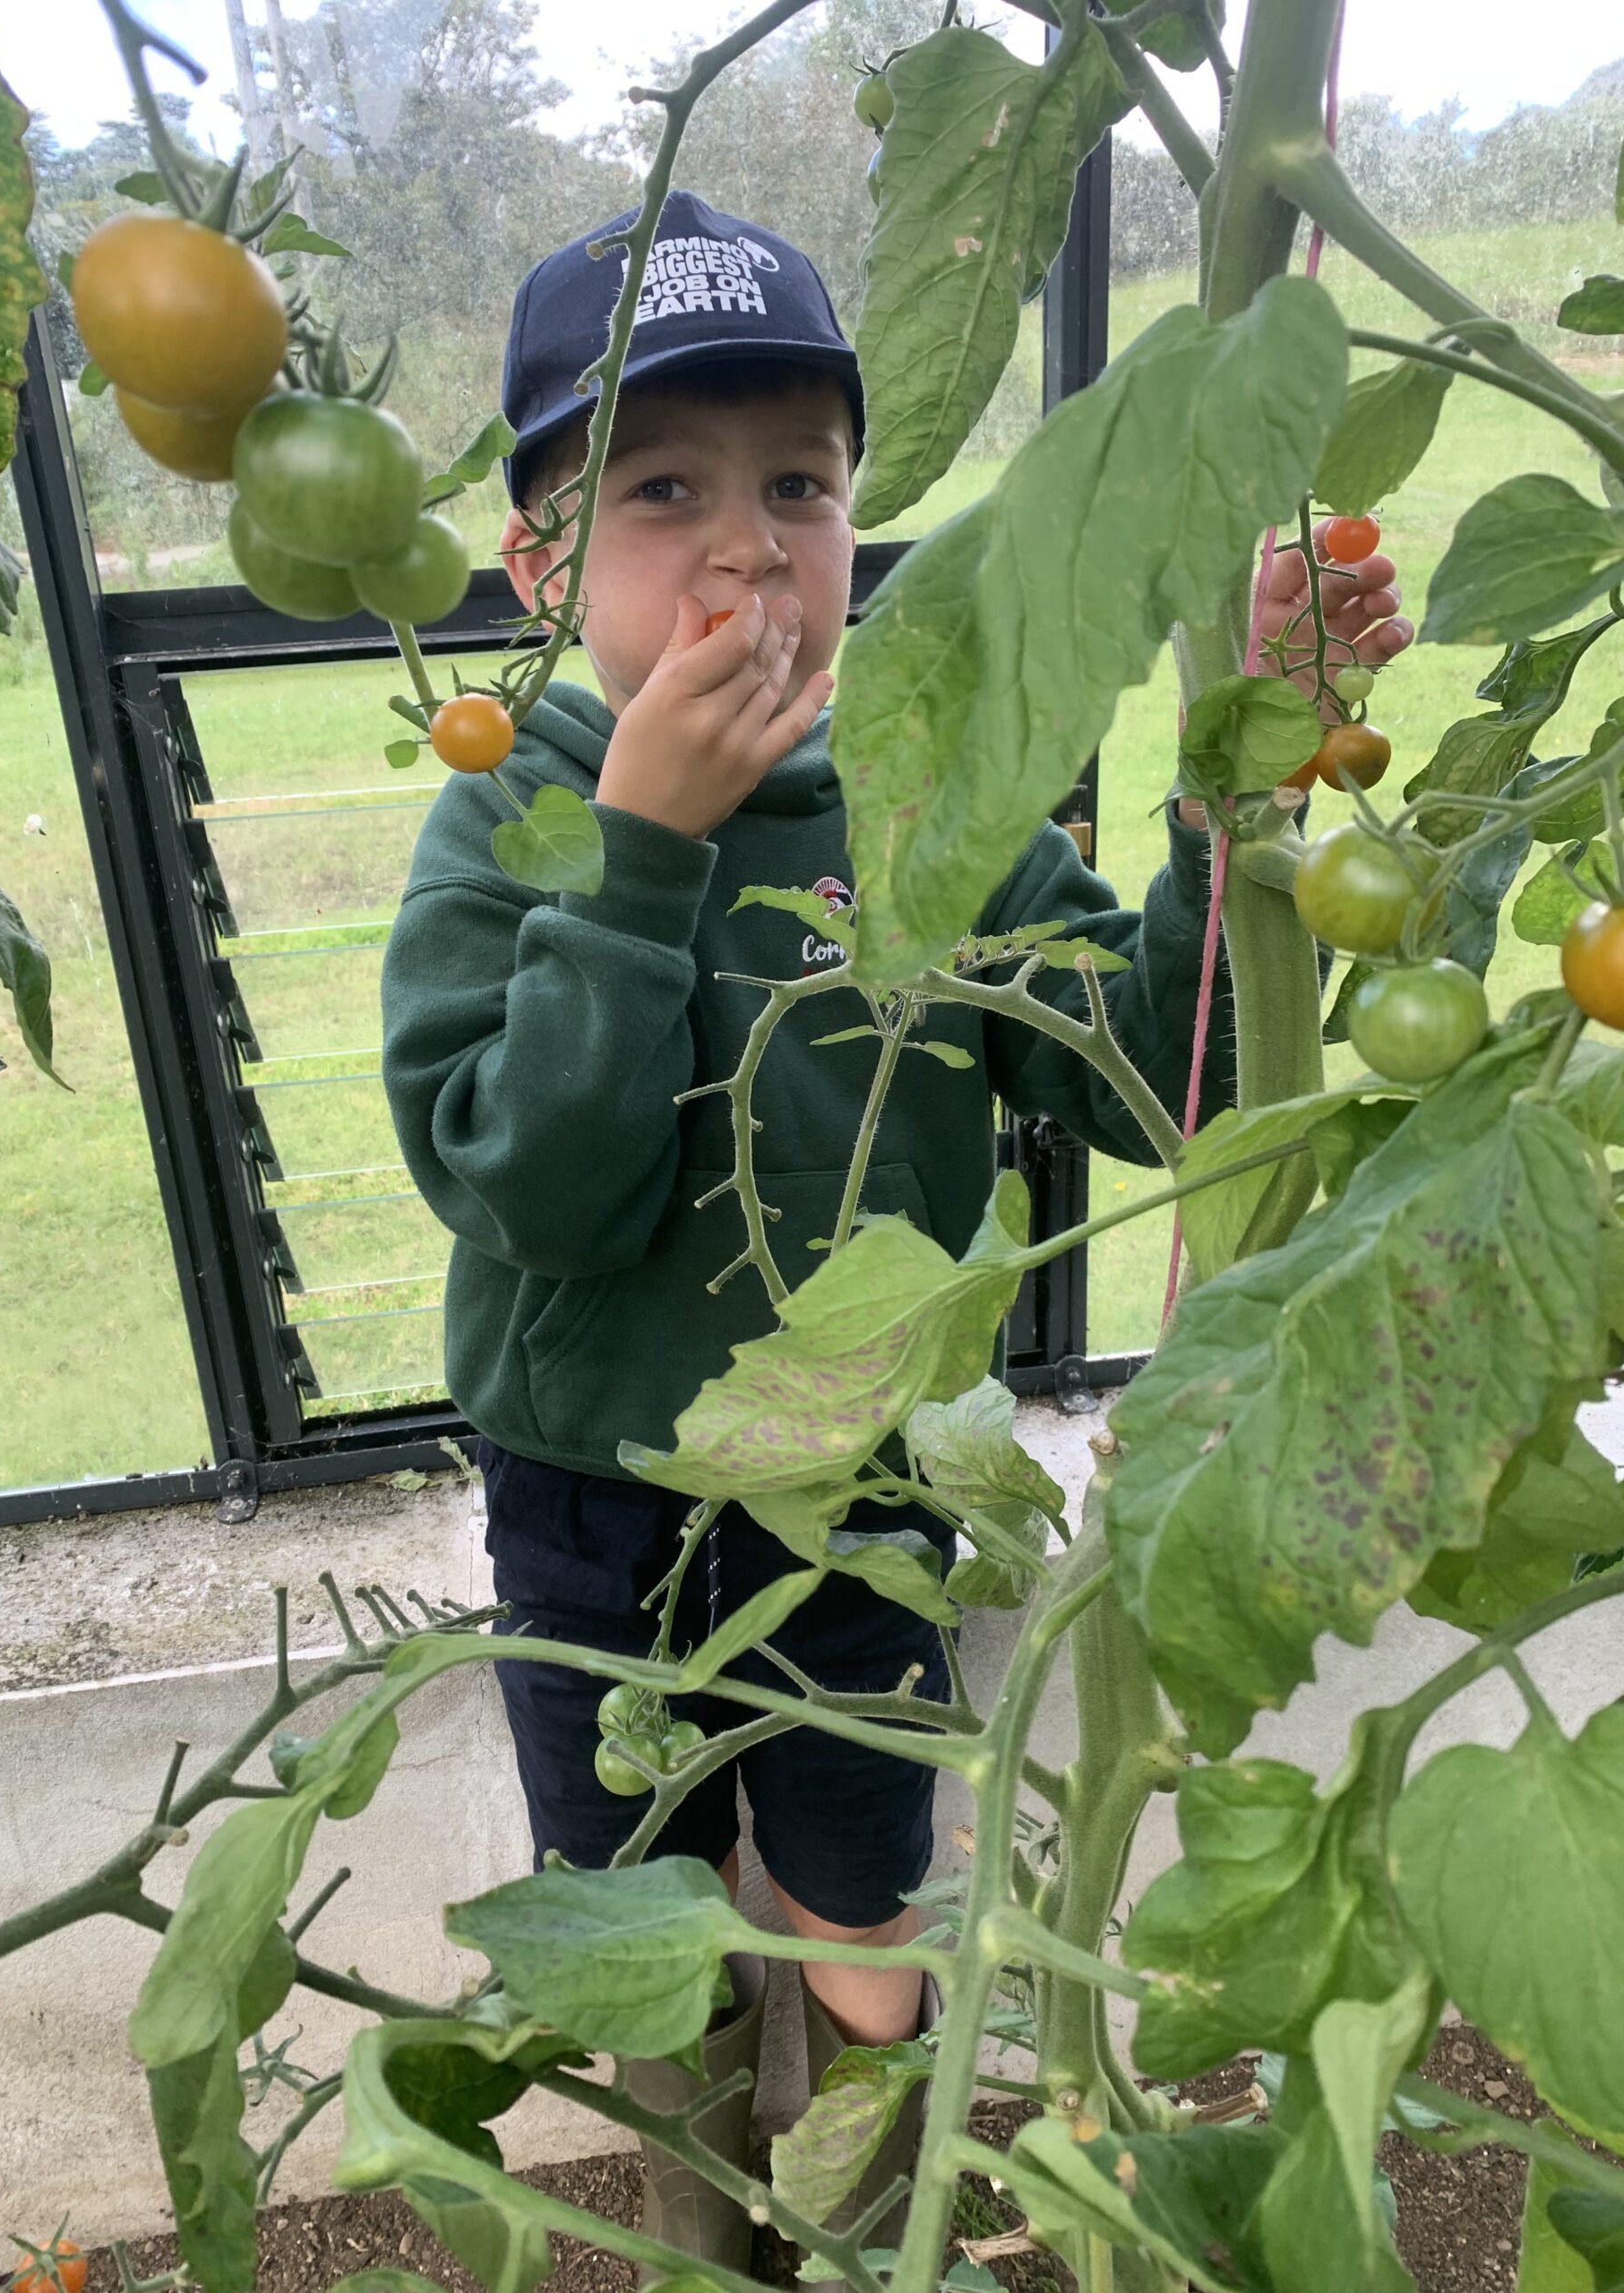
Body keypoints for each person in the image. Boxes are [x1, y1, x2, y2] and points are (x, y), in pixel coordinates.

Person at [380, 188, 1413, 2275]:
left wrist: (1243, 803)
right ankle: (703, 2221)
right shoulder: (512, 812)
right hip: (592, 1494)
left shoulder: (931, 799)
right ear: (540, 557)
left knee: (866, 1894)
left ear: (865, 525)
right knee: (635, 1901)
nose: (750, 546)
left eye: (803, 486)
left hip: (859, 1486)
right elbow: (532, 1184)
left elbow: (1163, 1069)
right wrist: (649, 858)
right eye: (662, 489)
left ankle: (851, 2213)